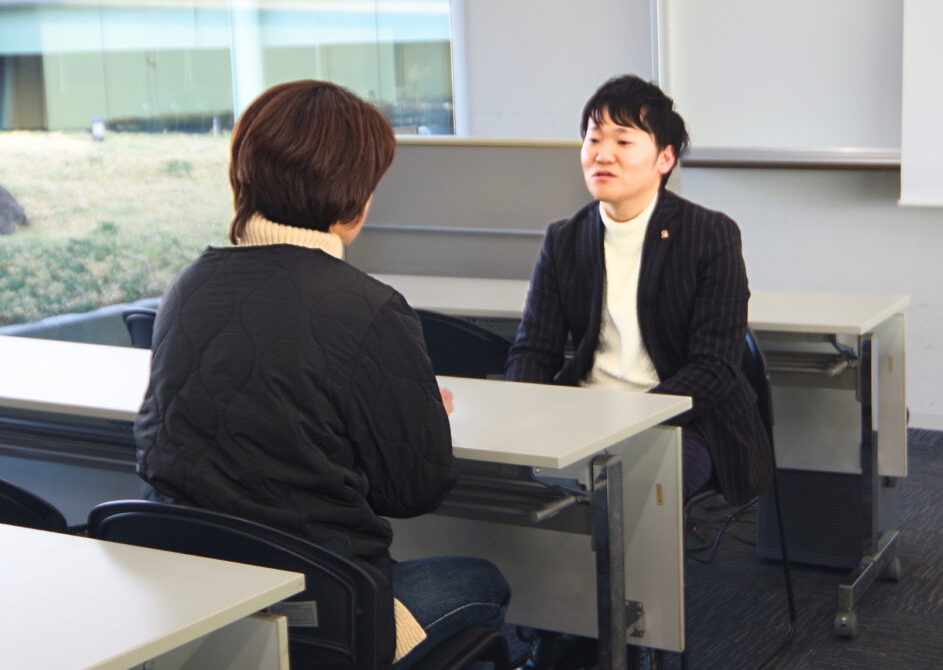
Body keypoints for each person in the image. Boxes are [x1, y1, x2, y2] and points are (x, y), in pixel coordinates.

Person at [134, 80, 509, 669]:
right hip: (330, 610)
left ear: (244, 177)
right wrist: (416, 413)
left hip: (207, 605)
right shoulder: (369, 308)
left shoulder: (188, 288)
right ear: (354, 197)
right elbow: (414, 490)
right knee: (483, 580)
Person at [506, 73, 773, 508]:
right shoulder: (564, 239)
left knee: (624, 497)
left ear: (665, 158)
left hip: (682, 421)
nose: (602, 154)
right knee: (509, 485)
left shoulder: (710, 234)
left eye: (623, 141)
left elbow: (714, 368)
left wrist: (630, 421)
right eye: (594, 139)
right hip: (587, 413)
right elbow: (534, 350)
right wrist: (522, 417)